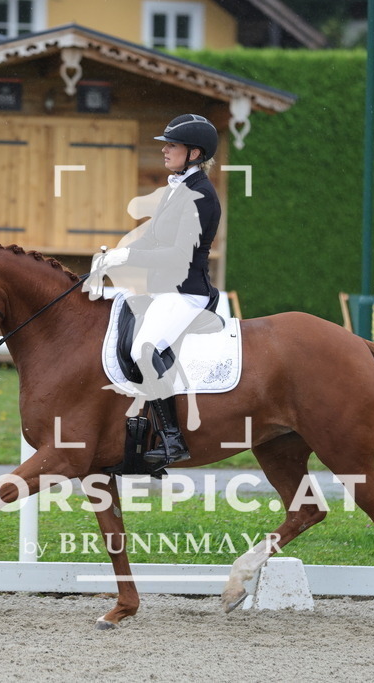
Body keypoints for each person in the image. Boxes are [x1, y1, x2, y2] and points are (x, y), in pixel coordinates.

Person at [89, 114, 222, 468]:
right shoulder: (177, 188)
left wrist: (128, 256)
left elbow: (179, 255)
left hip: (186, 293)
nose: (164, 150)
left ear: (194, 153)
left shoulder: (201, 195)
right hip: (162, 292)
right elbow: (151, 238)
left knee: (144, 349)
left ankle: (172, 439)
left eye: (172, 145)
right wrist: (113, 257)